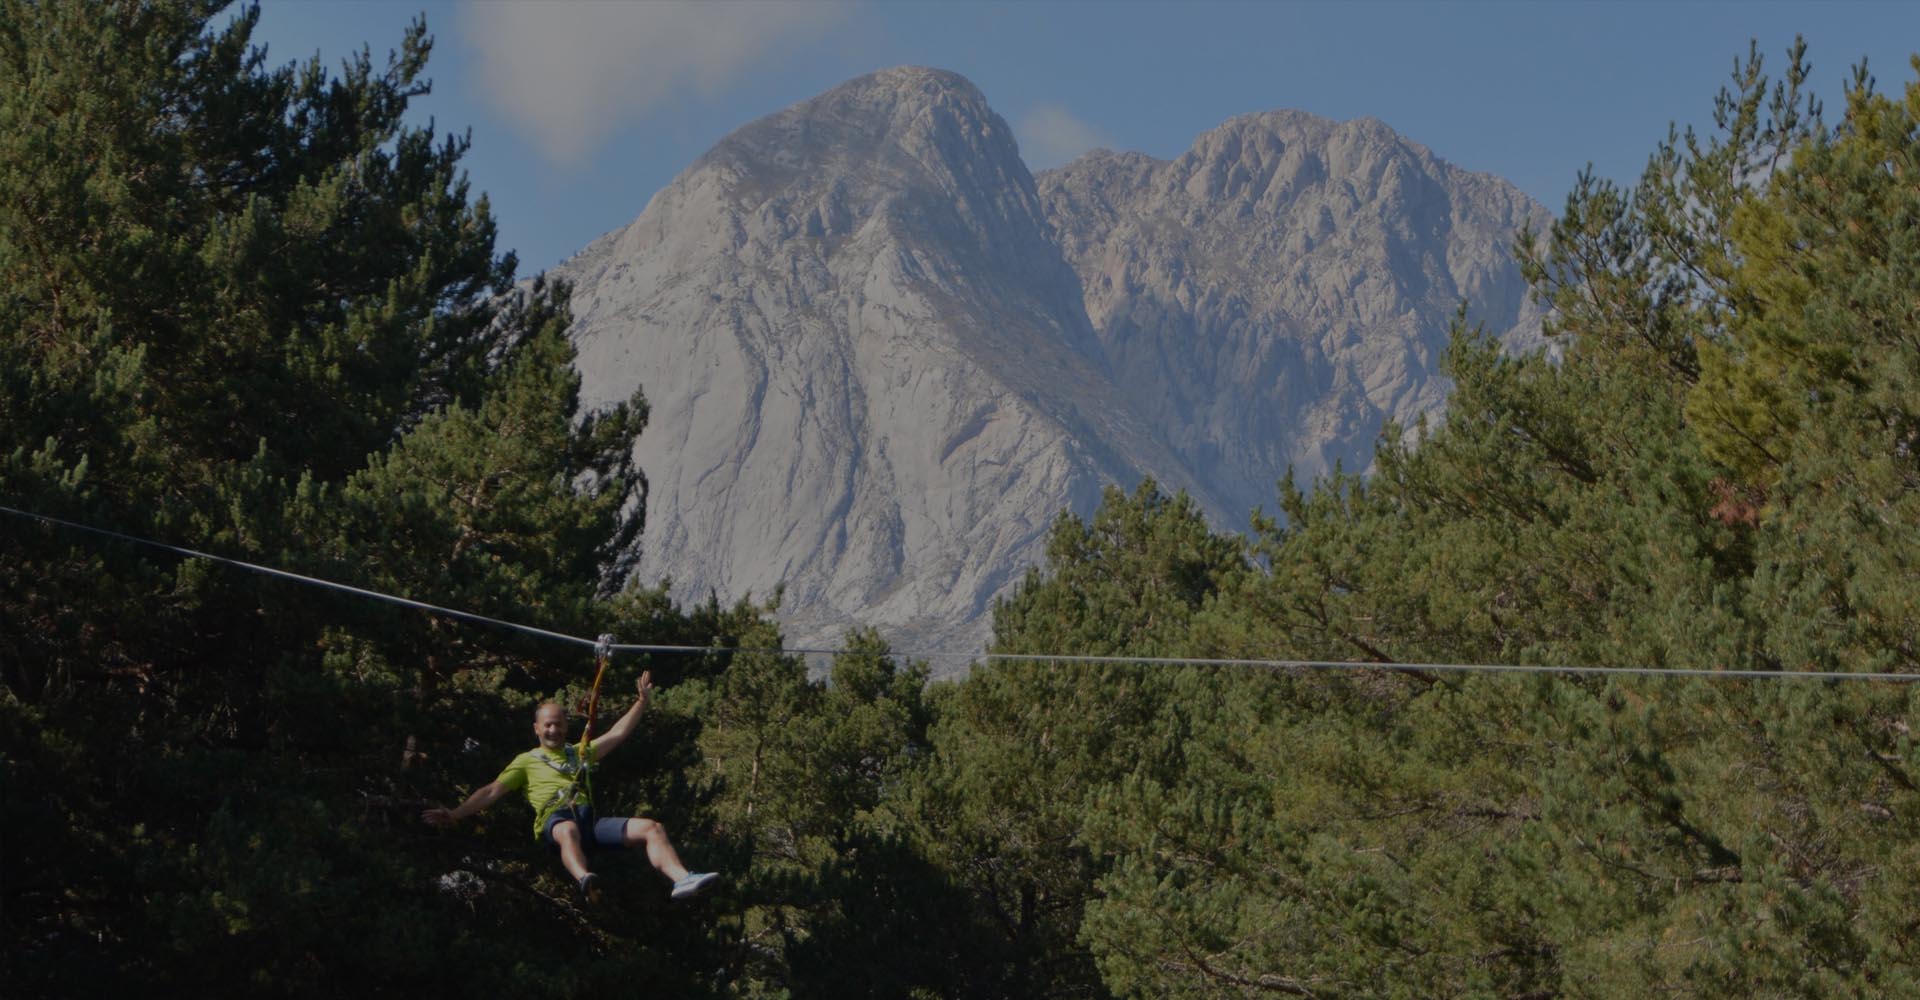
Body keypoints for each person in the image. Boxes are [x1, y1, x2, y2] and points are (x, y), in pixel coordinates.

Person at [422, 670, 719, 904]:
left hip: (589, 824)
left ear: (566, 727)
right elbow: (491, 791)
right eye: (548, 725)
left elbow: (617, 734)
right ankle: (584, 877)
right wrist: (456, 814)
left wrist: (641, 702)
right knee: (567, 830)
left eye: (559, 724)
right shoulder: (526, 760)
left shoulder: (579, 753)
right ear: (537, 729)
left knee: (651, 828)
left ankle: (681, 879)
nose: (554, 729)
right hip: (557, 823)